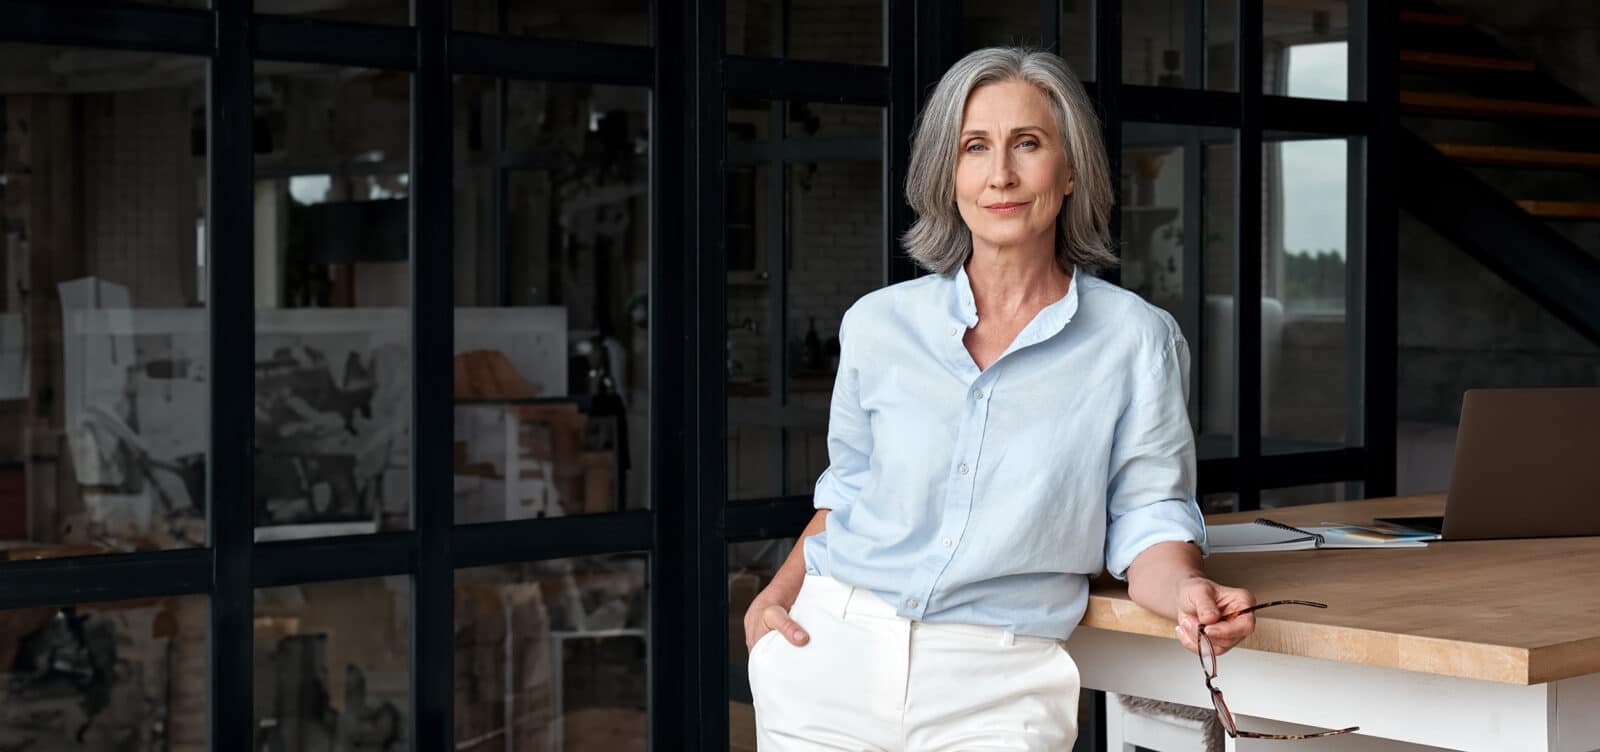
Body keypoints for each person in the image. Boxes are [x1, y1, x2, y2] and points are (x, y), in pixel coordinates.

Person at [741, 47, 1258, 750]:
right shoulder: (877, 324)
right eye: (975, 147)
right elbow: (848, 492)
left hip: (1000, 681)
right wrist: (779, 591)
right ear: (947, 174)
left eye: (1029, 144)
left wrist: (1188, 591)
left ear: (1071, 169)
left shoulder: (1135, 340)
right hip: (830, 655)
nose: (1001, 175)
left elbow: (1149, 516)